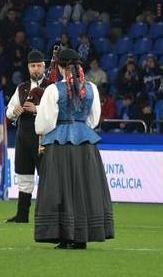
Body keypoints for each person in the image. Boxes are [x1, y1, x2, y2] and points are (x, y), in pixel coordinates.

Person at [34, 46, 115, 249]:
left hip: (60, 145)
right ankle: (82, 236)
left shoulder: (53, 90)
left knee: (61, 189)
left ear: (60, 67)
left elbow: (44, 124)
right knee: (85, 189)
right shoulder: (92, 89)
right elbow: (94, 120)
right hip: (86, 145)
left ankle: (65, 235)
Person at [5, 49, 47, 223]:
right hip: (23, 137)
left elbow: (58, 112)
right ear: (28, 68)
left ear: (44, 67)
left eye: (38, 65)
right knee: (24, 177)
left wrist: (37, 110)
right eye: (32, 66)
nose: (35, 69)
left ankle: (46, 217)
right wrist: (13, 112)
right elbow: (8, 111)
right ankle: (22, 215)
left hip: (43, 139)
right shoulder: (21, 88)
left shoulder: (52, 87)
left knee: (47, 178)